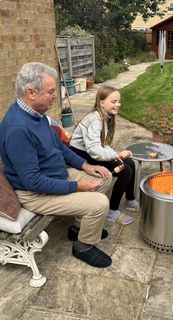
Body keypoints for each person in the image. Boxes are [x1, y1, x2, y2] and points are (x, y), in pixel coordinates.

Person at [0, 62, 113, 269]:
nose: (55, 95)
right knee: (99, 204)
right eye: (51, 91)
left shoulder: (37, 114)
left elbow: (58, 148)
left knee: (104, 177)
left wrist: (86, 166)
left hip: (56, 176)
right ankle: (83, 246)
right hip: (34, 194)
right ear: (31, 92)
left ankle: (79, 230)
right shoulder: (18, 129)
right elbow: (33, 182)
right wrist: (76, 186)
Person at [69, 85, 138, 225]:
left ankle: (130, 199)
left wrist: (116, 155)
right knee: (125, 170)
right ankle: (112, 211)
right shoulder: (94, 119)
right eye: (113, 101)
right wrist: (116, 154)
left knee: (129, 162)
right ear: (101, 103)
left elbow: (102, 144)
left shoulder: (105, 116)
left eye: (119, 101)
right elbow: (94, 150)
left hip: (90, 152)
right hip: (81, 155)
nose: (117, 104)